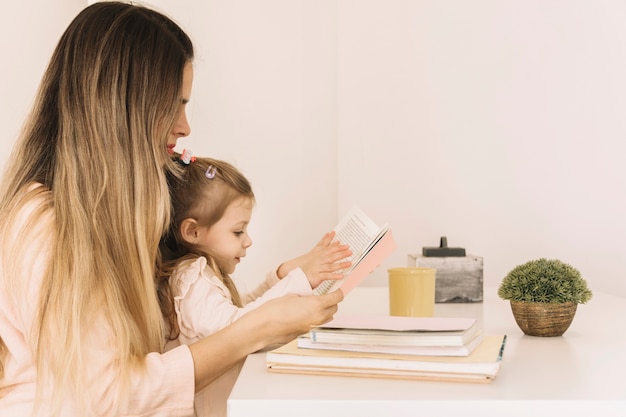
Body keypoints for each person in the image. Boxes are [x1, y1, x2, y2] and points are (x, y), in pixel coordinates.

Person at [0, 2, 343, 416]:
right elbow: (108, 396)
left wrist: (273, 299)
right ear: (124, 105)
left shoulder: (106, 222)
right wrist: (256, 328)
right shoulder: (44, 225)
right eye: (175, 104)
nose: (185, 127)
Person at [158, 153, 352, 417]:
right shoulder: (191, 278)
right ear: (193, 232)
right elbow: (235, 328)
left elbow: (242, 309)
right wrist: (300, 280)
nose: (247, 240)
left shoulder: (199, 275)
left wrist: (283, 275)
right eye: (238, 231)